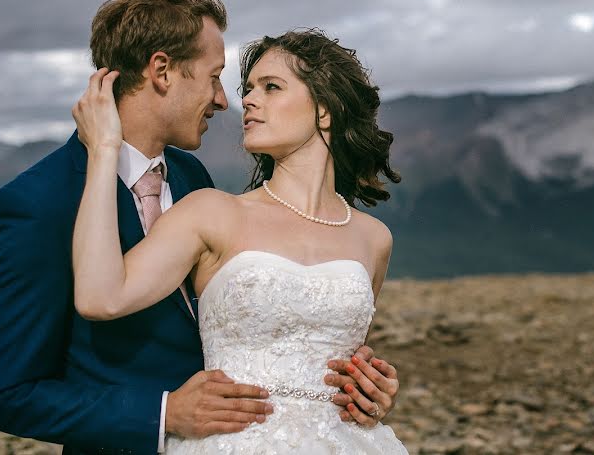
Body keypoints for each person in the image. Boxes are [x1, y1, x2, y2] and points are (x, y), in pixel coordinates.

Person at [0, 0, 399, 454]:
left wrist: (357, 387)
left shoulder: (191, 176)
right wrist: (161, 414)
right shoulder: (37, 202)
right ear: (162, 71)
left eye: (268, 86)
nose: (225, 101)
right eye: (215, 77)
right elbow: (8, 393)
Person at [71, 28, 407, 453]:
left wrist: (369, 384)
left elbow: (336, 350)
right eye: (248, 89)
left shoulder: (373, 238)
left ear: (325, 110)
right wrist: (103, 148)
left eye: (271, 87)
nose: (247, 100)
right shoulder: (211, 211)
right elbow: (100, 297)